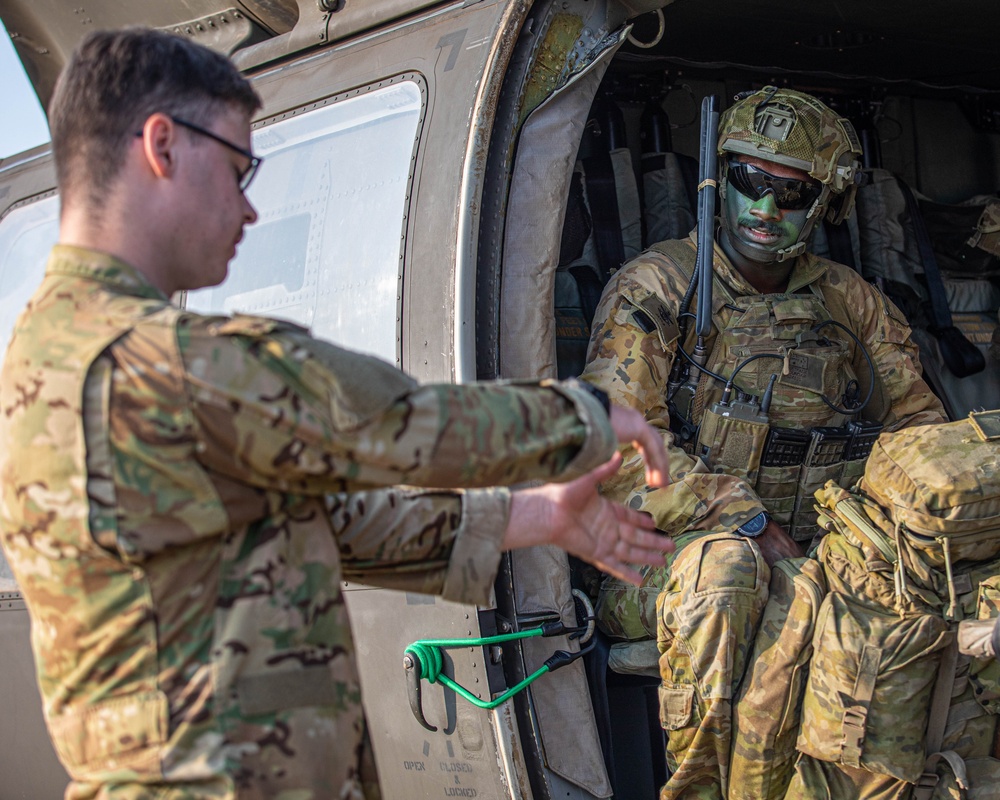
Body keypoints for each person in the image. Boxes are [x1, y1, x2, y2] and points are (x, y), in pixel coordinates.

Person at [0, 28, 676, 800]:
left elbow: (315, 525)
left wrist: (532, 519)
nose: (248, 210)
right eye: (236, 168)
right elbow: (395, 426)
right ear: (161, 145)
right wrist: (583, 419)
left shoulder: (45, 356)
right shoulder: (148, 361)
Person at [580, 86, 948, 799]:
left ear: (824, 205)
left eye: (790, 193)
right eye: (748, 183)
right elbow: (617, 446)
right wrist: (746, 521)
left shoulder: (849, 300)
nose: (763, 210)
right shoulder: (659, 286)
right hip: (666, 562)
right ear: (721, 182)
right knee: (729, 575)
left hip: (818, 548)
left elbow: (919, 432)